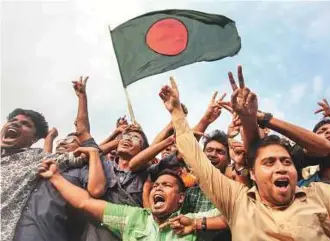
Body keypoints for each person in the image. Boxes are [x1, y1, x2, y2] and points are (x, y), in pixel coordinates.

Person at [159, 66, 330, 240]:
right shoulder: (236, 200)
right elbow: (194, 157)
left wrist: (256, 118)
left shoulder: (319, 194)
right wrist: (177, 112)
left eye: (286, 162)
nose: (280, 168)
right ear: (252, 172)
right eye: (269, 163)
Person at [12, 76, 106, 241]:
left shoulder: (81, 170)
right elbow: (45, 155)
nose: (64, 142)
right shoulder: (37, 164)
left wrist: (82, 97)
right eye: (63, 140)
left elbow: (96, 189)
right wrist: (49, 138)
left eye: (71, 141)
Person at [38, 164, 219, 241]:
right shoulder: (133, 217)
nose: (158, 188)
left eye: (166, 185)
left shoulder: (192, 222)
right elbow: (84, 202)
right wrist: (55, 177)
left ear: (180, 197)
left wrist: (197, 224)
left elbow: (237, 213)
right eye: (155, 185)